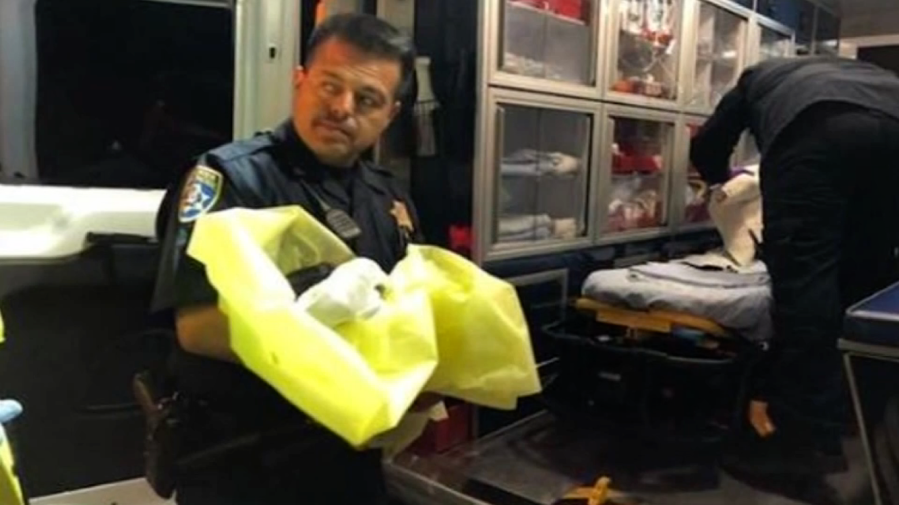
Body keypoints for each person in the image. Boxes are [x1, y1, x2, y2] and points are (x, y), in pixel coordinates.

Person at [150, 13, 427, 505]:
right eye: (330, 86)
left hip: (351, 452)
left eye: (367, 100)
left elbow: (414, 306)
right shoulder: (231, 179)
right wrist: (350, 353)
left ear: (390, 114)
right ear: (300, 80)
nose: (343, 108)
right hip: (245, 459)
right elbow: (199, 325)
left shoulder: (390, 200)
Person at [691, 56, 899, 482]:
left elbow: (709, 144)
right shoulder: (865, 73)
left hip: (817, 130)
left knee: (805, 284)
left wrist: (719, 183)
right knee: (868, 274)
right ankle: (859, 410)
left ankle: (805, 444)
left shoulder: (757, 78)